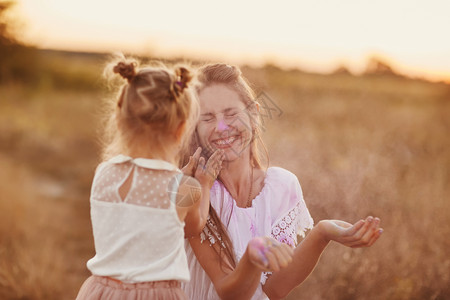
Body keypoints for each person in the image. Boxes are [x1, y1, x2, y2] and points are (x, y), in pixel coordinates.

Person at [180, 63, 383, 300]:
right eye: (207, 118)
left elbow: (273, 290)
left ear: (254, 114)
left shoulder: (282, 186)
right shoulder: (196, 191)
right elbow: (228, 290)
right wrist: (253, 257)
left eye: (231, 113)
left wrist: (322, 233)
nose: (222, 127)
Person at [76, 58, 228, 299]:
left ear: (120, 120)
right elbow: (194, 226)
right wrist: (204, 184)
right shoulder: (183, 185)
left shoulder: (104, 172)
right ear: (180, 129)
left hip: (102, 290)